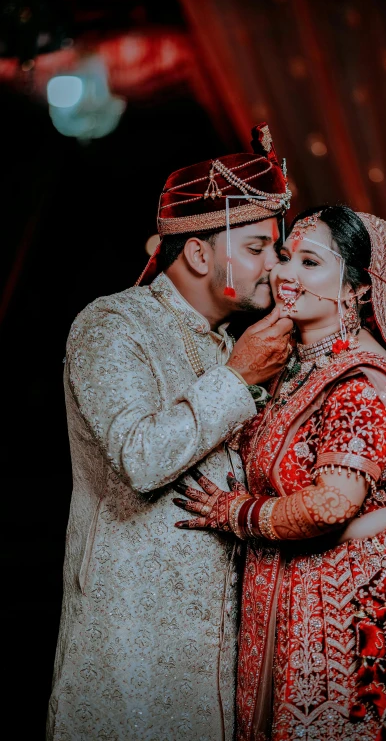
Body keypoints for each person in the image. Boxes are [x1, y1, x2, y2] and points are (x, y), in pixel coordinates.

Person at [176, 205, 386, 741]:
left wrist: (235, 512)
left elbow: (333, 502)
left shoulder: (358, 381)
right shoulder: (290, 364)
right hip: (296, 593)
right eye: (287, 257)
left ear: (358, 290)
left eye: (310, 262)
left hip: (365, 603)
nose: (285, 275)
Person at [46, 124, 294, 741]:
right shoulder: (111, 324)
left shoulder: (233, 346)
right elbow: (141, 455)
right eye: (260, 245)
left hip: (218, 649)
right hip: (130, 642)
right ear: (200, 253)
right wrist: (237, 379)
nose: (277, 264)